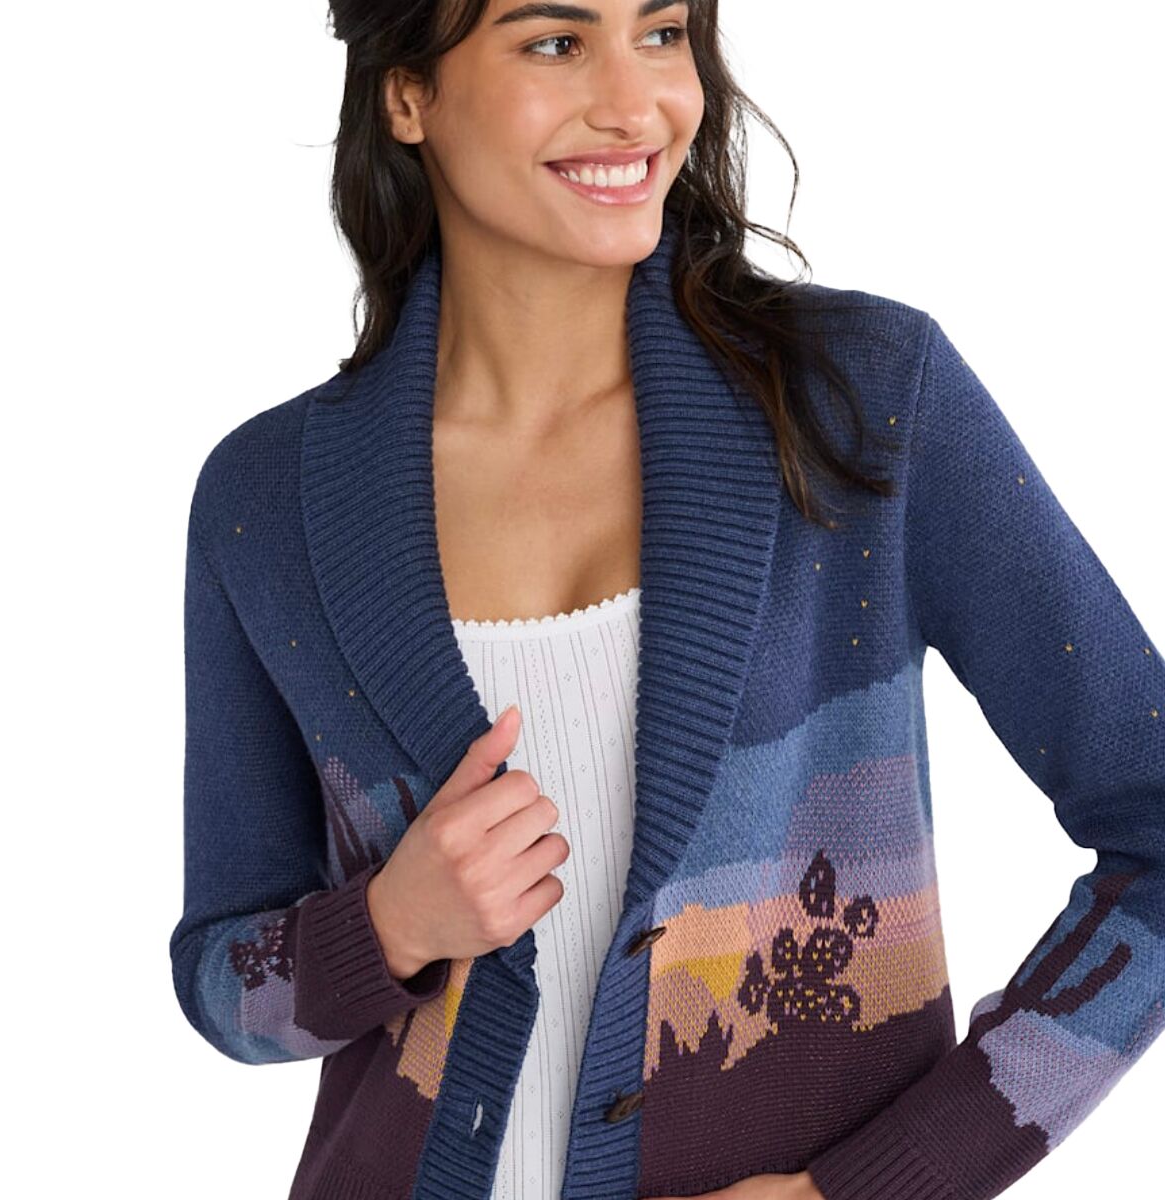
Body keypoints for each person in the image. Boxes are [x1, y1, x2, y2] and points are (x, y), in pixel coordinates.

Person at [169, 2, 1165, 1198]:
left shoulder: (858, 407)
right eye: (554, 43)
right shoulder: (269, 499)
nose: (636, 105)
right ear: (406, 94)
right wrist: (387, 928)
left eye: (663, 33)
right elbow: (221, 980)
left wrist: (883, 1183)